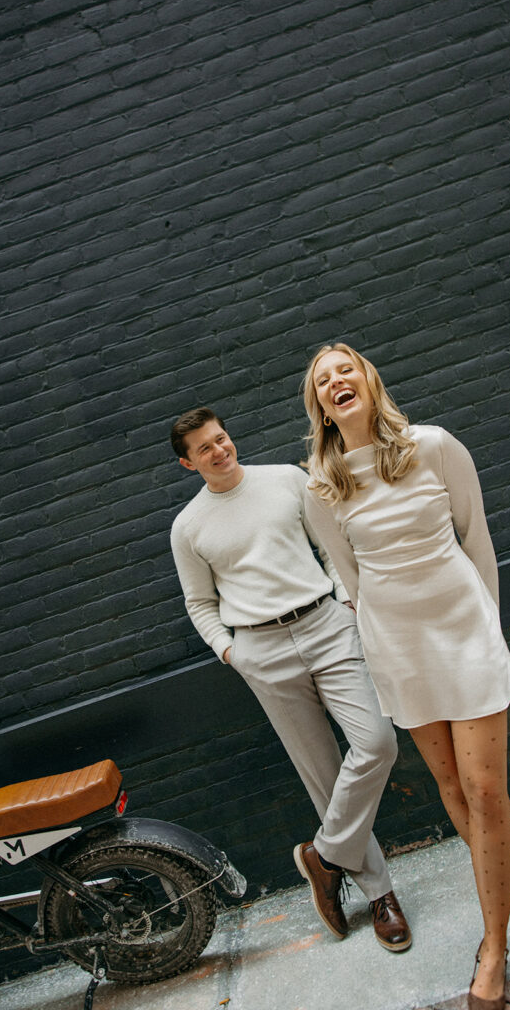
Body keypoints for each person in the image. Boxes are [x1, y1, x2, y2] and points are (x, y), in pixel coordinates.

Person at [302, 343, 510, 1010]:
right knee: (453, 786)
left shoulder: (435, 446)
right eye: (322, 380)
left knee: (485, 790)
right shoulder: (320, 486)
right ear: (319, 407)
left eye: (346, 369)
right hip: (397, 645)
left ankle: (492, 946)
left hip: (464, 631)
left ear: (369, 381)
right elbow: (351, 581)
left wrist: (489, 632)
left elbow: (475, 540)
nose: (338, 380)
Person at [169, 406, 411, 951]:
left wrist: (345, 601)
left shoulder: (286, 478)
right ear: (188, 464)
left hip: (326, 624)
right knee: (322, 775)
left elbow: (329, 546)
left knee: (376, 741)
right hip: (261, 649)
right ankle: (380, 897)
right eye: (204, 448)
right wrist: (231, 652)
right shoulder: (188, 527)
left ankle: (323, 857)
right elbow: (199, 603)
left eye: (221, 438)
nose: (219, 450)